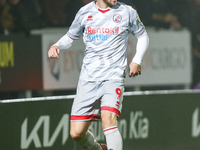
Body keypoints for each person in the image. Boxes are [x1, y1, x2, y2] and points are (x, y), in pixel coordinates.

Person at [48, 0, 149, 149]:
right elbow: (70, 37)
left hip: (113, 77)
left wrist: (137, 60)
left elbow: (143, 36)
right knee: (77, 133)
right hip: (88, 79)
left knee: (108, 119)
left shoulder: (127, 12)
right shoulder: (84, 12)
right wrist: (57, 45)